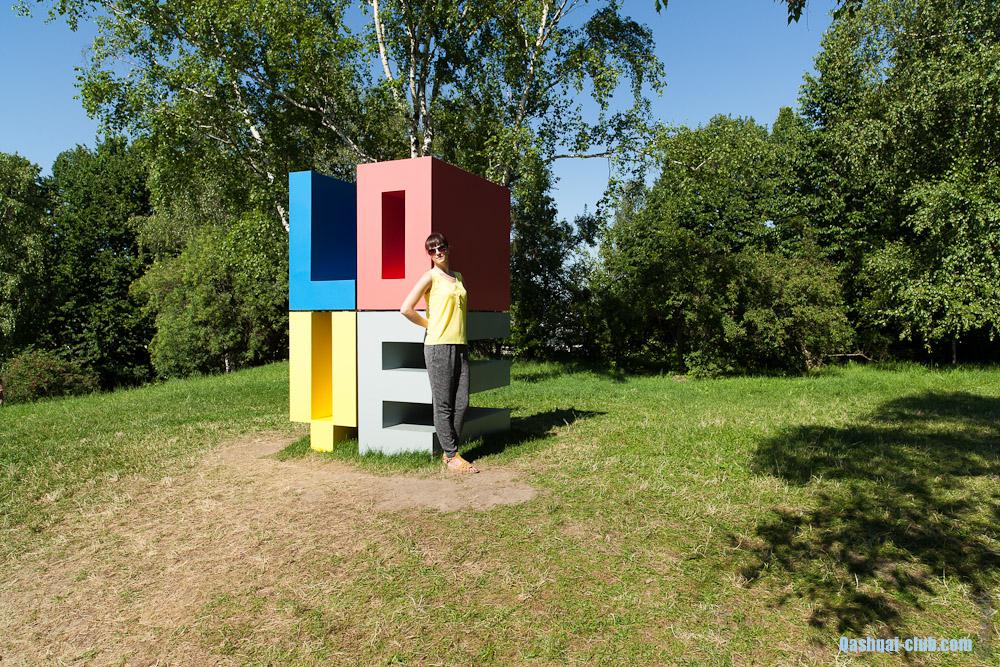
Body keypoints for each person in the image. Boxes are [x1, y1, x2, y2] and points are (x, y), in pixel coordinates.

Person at [399, 232, 480, 473]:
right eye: (432, 250)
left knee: (462, 402)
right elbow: (406, 308)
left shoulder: (458, 277)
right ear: (429, 254)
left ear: (447, 247)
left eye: (440, 247)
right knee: (443, 404)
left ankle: (448, 452)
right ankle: (452, 455)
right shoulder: (430, 277)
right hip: (438, 346)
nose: (437, 253)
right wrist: (430, 325)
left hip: (460, 344)